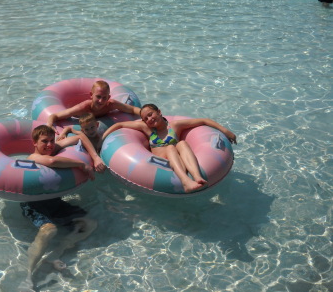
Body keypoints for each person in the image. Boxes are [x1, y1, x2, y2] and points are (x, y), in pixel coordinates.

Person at [19, 125, 100, 291]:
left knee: (90, 223)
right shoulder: (33, 157)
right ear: (34, 143)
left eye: (51, 141)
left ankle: (57, 252)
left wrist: (95, 157)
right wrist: (82, 165)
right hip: (34, 205)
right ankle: (28, 275)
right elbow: (52, 162)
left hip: (55, 203)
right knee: (49, 230)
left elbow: (80, 138)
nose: (49, 145)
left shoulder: (54, 148)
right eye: (44, 142)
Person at [101, 104, 237, 193]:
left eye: (151, 114)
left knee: (182, 144)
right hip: (160, 164)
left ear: (159, 112)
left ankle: (196, 176)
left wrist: (226, 131)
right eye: (145, 118)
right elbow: (119, 126)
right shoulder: (147, 129)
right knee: (171, 147)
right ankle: (185, 181)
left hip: (178, 159)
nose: (149, 119)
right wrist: (101, 140)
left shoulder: (175, 126)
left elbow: (204, 121)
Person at [47, 80, 141, 134]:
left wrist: (145, 114)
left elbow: (132, 109)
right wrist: (50, 125)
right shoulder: (82, 108)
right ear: (91, 95)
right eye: (98, 97)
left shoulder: (110, 104)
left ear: (108, 97)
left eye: (104, 98)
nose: (101, 101)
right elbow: (55, 116)